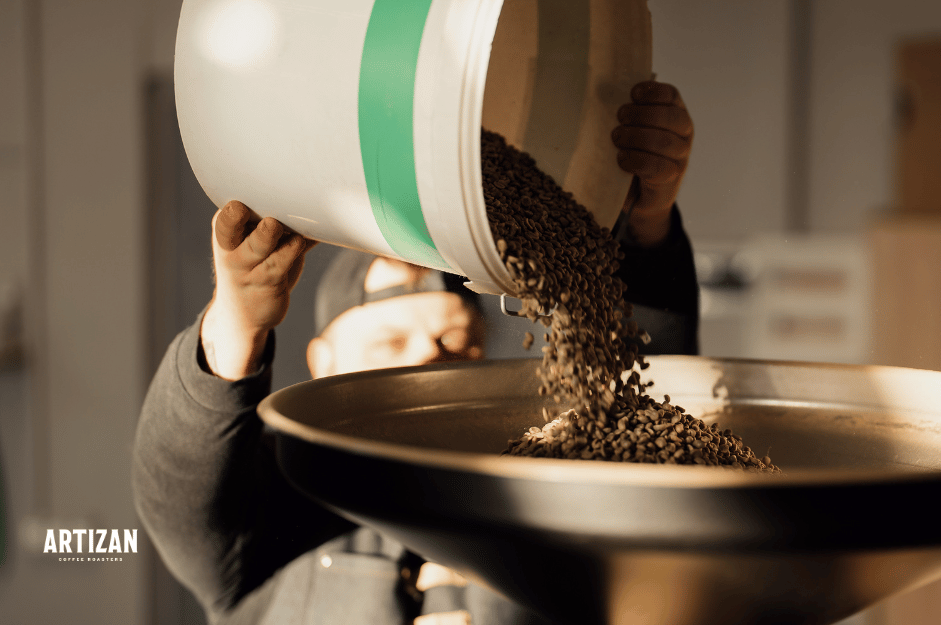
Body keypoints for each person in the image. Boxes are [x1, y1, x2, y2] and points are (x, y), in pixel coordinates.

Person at [133, 81, 698, 625]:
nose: (428, 356)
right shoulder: (281, 511)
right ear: (321, 362)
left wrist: (643, 227)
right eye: (391, 343)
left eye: (456, 343)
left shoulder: (542, 500)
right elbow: (178, 486)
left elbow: (639, 412)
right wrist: (236, 318)